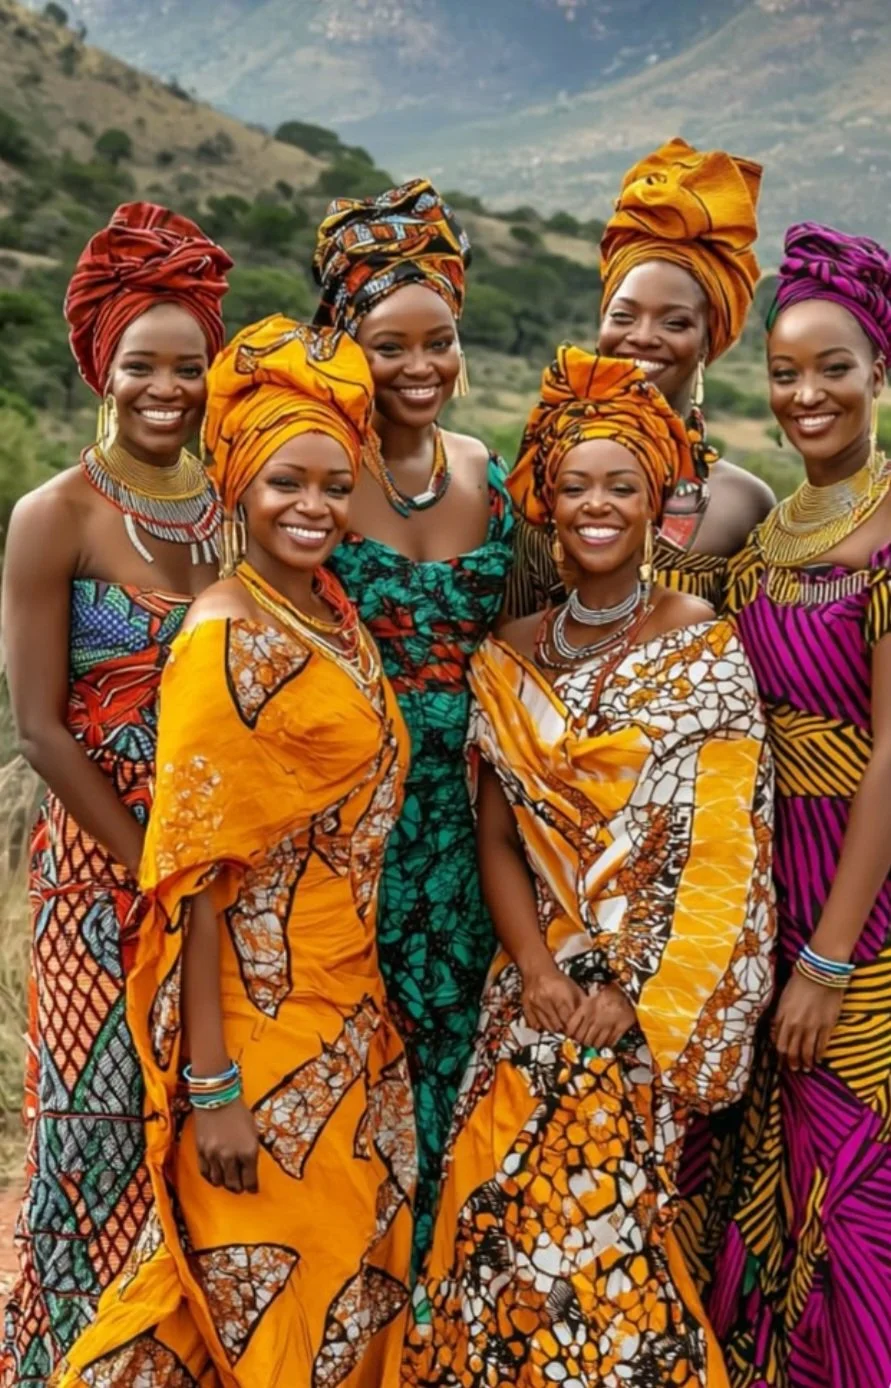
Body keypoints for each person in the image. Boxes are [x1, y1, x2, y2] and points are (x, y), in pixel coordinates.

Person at [55, 316, 416, 1388]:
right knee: (266, 1310)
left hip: (352, 1010)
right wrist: (213, 1083)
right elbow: (198, 880)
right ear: (239, 488)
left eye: (332, 485)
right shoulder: (224, 634)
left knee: (327, 1293)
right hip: (258, 1033)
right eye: (283, 483)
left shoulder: (330, 614)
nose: (313, 507)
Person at [404, 348, 776, 1388]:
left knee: (607, 1249)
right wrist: (536, 969)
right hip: (528, 995)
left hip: (641, 1011)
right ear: (548, 502)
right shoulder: (510, 651)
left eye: (622, 484)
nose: (597, 503)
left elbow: (719, 851)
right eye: (576, 485)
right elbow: (498, 834)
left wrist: (625, 987)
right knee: (491, 1232)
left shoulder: (700, 645)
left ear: (657, 500)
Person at [1, 202, 231, 1387]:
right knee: (93, 1143)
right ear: (102, 363)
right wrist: (150, 860)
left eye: (191, 365)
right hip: (105, 877)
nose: (168, 387)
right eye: (143, 362)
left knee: (202, 1141)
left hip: (226, 878)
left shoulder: (237, 512)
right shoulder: (56, 516)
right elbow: (40, 726)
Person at [313, 179, 514, 1265]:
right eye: (392, 345)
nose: (423, 366)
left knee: (466, 1068)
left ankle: (445, 1316)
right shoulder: (313, 483)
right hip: (360, 830)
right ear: (344, 342)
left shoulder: (491, 471)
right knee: (366, 1075)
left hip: (480, 827)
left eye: (440, 339)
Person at [707, 224, 891, 1388]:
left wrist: (826, 962)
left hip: (859, 914)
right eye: (784, 371)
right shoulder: (765, 535)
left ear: (881, 370)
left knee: (859, 1182)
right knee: (771, 1183)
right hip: (766, 894)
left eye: (834, 366)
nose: (806, 392)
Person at [507, 137, 775, 617]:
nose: (642, 338)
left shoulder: (743, 504)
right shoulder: (544, 471)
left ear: (709, 342)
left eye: (674, 323)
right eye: (624, 316)